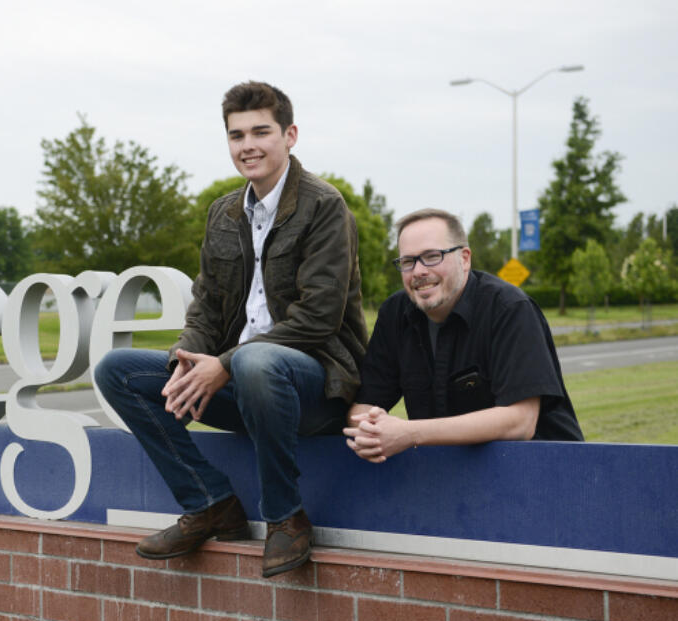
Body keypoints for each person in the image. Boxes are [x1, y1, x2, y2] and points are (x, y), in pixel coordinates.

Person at [94, 81, 366, 578]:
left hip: (314, 386)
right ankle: (210, 502)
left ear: (290, 135)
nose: (249, 145)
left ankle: (286, 517)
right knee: (119, 372)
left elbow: (319, 317)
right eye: (237, 135)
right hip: (242, 385)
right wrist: (189, 360)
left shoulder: (325, 206)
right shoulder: (222, 213)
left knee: (255, 359)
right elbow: (206, 310)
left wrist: (225, 363)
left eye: (261, 132)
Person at [344, 208, 582, 462]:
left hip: (544, 475)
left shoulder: (509, 309)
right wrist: (369, 428)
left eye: (432, 256)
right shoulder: (395, 314)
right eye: (407, 261)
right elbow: (365, 405)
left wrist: (409, 433)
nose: (419, 271)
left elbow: (520, 422)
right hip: (453, 480)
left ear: (465, 258)